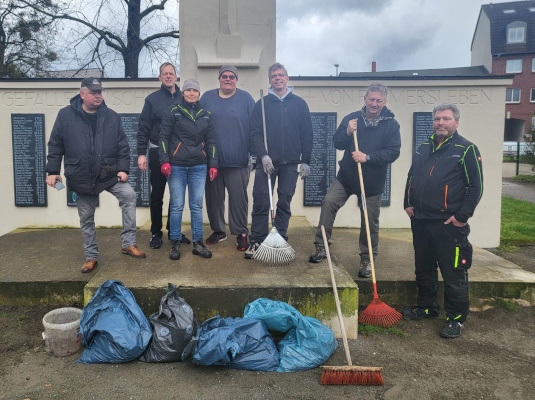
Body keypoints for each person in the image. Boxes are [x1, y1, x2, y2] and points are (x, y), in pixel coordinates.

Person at [46, 78, 146, 273]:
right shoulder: (65, 116)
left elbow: (123, 146)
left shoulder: (112, 117)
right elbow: (55, 144)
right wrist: (53, 171)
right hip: (81, 175)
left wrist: (123, 169)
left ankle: (128, 243)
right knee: (86, 217)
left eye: (99, 91)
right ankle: (91, 256)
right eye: (93, 92)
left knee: (129, 195)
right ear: (82, 94)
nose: (98, 95)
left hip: (107, 173)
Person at [403, 103, 483, 339]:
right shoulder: (423, 147)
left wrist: (461, 217)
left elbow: (475, 186)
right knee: (424, 268)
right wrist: (407, 203)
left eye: (446, 119)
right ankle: (427, 307)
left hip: (448, 224)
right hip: (420, 220)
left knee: (454, 271)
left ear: (456, 122)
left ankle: (456, 318)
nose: (441, 123)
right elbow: (411, 176)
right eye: (437, 119)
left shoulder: (466, 149)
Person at [309, 83, 401, 279]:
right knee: (329, 202)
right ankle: (321, 246)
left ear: (384, 102)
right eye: (371, 99)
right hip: (346, 178)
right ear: (365, 99)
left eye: (378, 100)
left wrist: (368, 157)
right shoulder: (352, 119)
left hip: (371, 183)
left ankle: (367, 258)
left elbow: (393, 152)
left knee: (369, 221)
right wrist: (348, 132)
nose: (374, 103)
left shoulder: (391, 125)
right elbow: (337, 142)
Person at [245, 62, 313, 259]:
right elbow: (255, 133)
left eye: (281, 75)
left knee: (284, 201)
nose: (277, 78)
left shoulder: (299, 104)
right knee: (261, 201)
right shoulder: (262, 104)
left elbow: (307, 134)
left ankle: (280, 237)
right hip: (266, 163)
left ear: (287, 78)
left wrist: (305, 160)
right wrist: (262, 155)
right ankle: (257, 240)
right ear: (269, 80)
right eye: (274, 75)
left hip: (290, 163)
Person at [159, 79, 218, 260]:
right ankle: (175, 242)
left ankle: (198, 243)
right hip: (176, 166)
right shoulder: (173, 111)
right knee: (176, 206)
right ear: (182, 92)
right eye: (188, 90)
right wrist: (164, 160)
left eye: (195, 90)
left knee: (196, 206)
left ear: (199, 94)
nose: (192, 93)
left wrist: (213, 163)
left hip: (199, 166)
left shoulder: (206, 114)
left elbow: (211, 142)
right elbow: (163, 137)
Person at [200, 65, 256, 251]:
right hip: (213, 161)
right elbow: (198, 124)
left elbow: (255, 128)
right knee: (214, 199)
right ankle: (218, 230)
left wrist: (254, 155)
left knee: (238, 199)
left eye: (232, 76)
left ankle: (241, 233)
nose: (228, 79)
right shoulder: (207, 98)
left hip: (238, 160)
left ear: (236, 80)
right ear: (219, 78)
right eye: (224, 76)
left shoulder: (246, 98)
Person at [137, 62, 190, 249]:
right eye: (164, 73)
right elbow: (143, 128)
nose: (168, 76)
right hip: (157, 153)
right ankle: (156, 233)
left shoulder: (185, 99)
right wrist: (141, 154)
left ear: (176, 76)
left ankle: (173, 230)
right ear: (160, 77)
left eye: (171, 73)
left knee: (177, 197)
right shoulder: (152, 100)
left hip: (179, 155)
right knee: (157, 195)